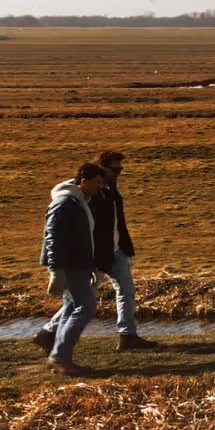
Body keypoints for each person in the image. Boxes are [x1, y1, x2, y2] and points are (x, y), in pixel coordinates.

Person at [37, 162, 105, 376]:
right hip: (70, 265)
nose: (99, 187)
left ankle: (58, 354)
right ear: (83, 182)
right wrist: (56, 270)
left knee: (71, 306)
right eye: (97, 182)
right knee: (85, 306)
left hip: (78, 264)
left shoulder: (78, 202)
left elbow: (82, 238)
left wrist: (91, 265)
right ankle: (60, 357)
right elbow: (53, 239)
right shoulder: (65, 203)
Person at [90, 150, 156, 350]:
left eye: (120, 169)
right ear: (102, 168)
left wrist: (124, 246)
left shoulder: (110, 188)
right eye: (115, 169)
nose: (119, 173)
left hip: (116, 249)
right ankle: (50, 332)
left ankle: (127, 335)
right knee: (83, 298)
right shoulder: (89, 189)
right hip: (98, 253)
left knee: (126, 292)